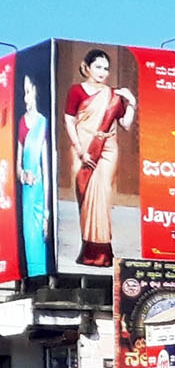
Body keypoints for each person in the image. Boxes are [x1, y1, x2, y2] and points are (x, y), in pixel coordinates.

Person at [63, 48, 133, 268]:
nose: (103, 72)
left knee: (101, 197)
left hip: (108, 148)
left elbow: (126, 124)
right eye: (98, 67)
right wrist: (81, 150)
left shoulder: (113, 96)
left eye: (106, 68)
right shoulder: (77, 91)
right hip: (82, 147)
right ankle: (88, 250)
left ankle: (102, 253)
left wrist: (131, 103)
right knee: (85, 198)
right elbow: (68, 120)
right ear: (87, 67)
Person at [19, 73, 51, 278]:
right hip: (26, 194)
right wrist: (22, 174)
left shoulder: (43, 123)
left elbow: (46, 169)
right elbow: (17, 164)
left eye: (28, 92)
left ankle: (41, 276)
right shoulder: (22, 123)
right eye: (24, 93)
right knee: (28, 237)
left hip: (40, 194)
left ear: (36, 93)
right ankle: (31, 276)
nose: (25, 98)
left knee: (39, 238)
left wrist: (47, 211)